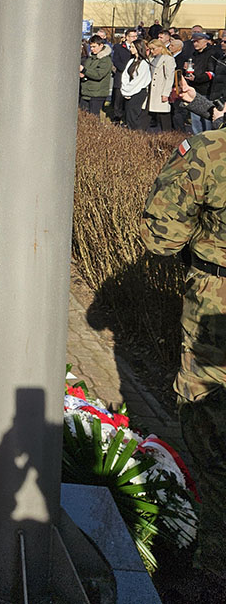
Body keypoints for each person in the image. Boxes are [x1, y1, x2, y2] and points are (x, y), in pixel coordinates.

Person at [140, 114, 226, 604]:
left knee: (207, 418)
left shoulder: (211, 150)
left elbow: (160, 236)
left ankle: (214, 562)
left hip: (216, 301)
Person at [120, 36, 151, 130]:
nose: (131, 49)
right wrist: (125, 90)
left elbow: (139, 81)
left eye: (133, 47)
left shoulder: (144, 63)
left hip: (138, 92)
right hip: (129, 91)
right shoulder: (131, 61)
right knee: (128, 115)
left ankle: (136, 136)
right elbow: (125, 76)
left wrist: (129, 91)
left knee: (134, 116)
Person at [147, 38, 176, 131]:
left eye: (153, 49)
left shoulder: (168, 59)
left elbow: (169, 77)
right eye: (150, 49)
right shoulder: (151, 59)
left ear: (160, 47)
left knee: (163, 114)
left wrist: (166, 93)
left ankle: (167, 136)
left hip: (161, 89)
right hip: (151, 90)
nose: (152, 51)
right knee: (150, 114)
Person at [79, 36, 112, 118]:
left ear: (101, 45)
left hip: (97, 94)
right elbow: (88, 72)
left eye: (94, 46)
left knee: (93, 118)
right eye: (91, 47)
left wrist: (84, 70)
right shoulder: (90, 58)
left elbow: (98, 75)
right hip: (86, 92)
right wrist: (83, 75)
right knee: (83, 117)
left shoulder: (105, 60)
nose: (92, 49)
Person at [110, 27, 138, 124]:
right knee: (118, 99)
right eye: (132, 36)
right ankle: (116, 118)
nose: (134, 38)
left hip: (132, 77)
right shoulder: (119, 47)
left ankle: (127, 119)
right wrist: (125, 69)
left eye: (136, 36)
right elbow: (116, 61)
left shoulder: (138, 48)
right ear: (126, 37)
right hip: (121, 76)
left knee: (129, 100)